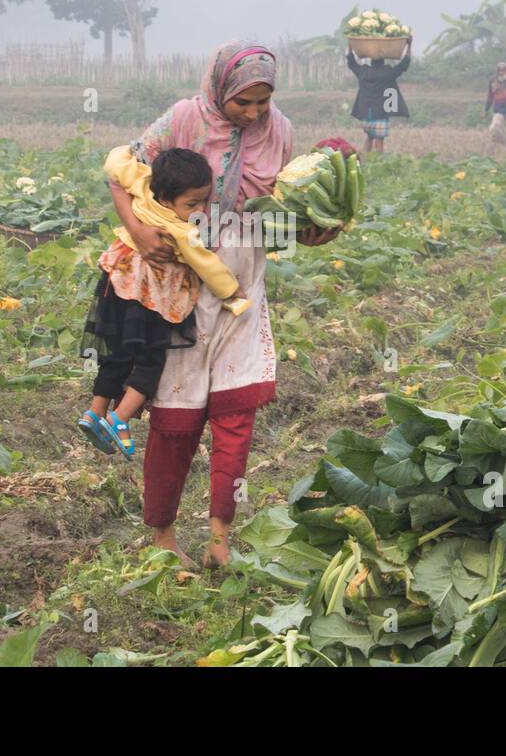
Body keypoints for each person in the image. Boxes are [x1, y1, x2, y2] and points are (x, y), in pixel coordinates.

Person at [110, 40, 341, 569]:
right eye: (244, 102)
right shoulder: (183, 119)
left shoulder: (278, 130)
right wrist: (140, 233)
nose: (255, 113)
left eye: (263, 101)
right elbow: (119, 173)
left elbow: (280, 213)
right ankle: (164, 538)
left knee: (235, 417)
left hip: (241, 284)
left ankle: (219, 537)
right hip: (177, 285)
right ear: (220, 88)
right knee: (176, 418)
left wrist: (314, 231)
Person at [78, 146, 251, 458]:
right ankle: (120, 419)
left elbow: (117, 164)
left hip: (118, 282)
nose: (201, 210)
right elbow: (207, 265)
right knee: (150, 359)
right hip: (153, 296)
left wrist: (123, 151)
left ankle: (94, 412)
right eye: (193, 203)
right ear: (167, 200)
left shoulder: (143, 188)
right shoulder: (182, 231)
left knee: (116, 352)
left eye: (204, 201)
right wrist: (232, 294)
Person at [347, 37, 411, 154]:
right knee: (379, 140)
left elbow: (351, 62)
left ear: (370, 61)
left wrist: (350, 44)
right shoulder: (387, 73)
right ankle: (378, 164)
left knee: (370, 137)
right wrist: (409, 45)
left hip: (367, 112)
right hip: (381, 112)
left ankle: (364, 161)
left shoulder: (363, 72)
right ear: (383, 61)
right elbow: (404, 64)